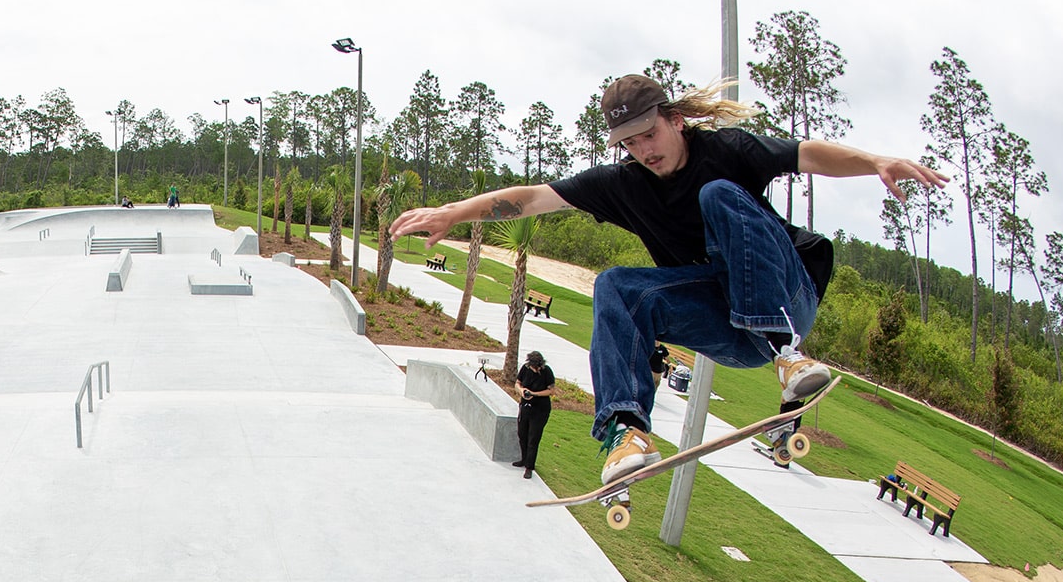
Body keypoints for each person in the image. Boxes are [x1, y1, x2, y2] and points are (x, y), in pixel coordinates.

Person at [391, 74, 946, 484]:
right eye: (629, 144)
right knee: (615, 287)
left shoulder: (727, 150)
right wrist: (452, 212)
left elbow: (809, 156)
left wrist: (875, 161)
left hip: (786, 299)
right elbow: (534, 197)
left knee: (719, 195)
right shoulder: (624, 183)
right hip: (726, 326)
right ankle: (625, 432)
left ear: (675, 119)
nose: (643, 151)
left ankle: (788, 355)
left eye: (649, 135)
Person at [515, 350, 556, 479]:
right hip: (525, 407)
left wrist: (534, 394)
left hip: (540, 409)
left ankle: (529, 467)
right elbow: (517, 383)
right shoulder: (525, 368)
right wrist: (522, 391)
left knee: (533, 437)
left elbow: (551, 391)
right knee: (522, 433)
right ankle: (524, 459)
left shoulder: (546, 371)